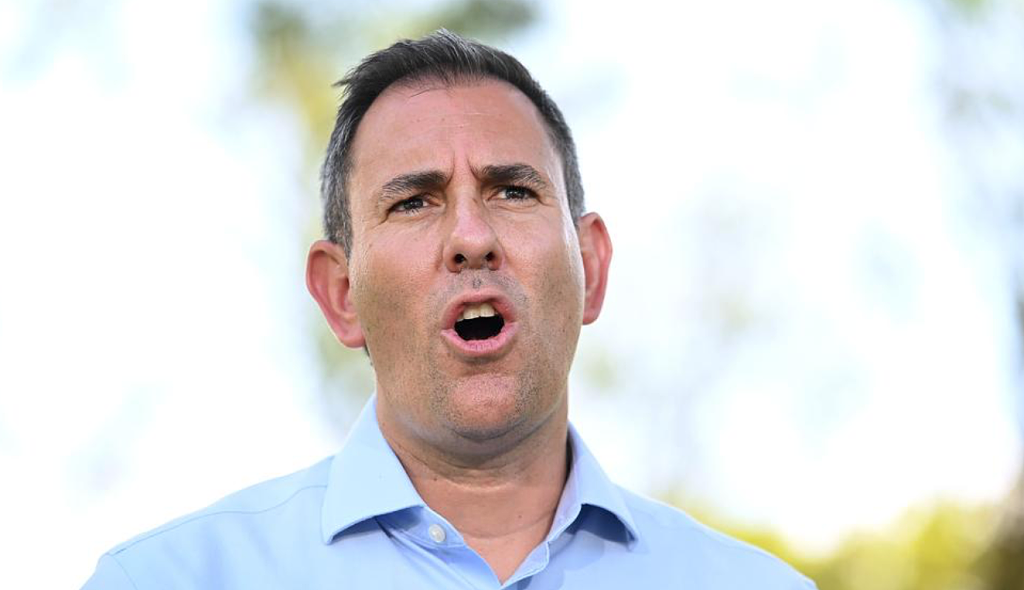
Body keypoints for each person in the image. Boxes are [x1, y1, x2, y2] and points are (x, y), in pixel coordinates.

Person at [82, 30, 815, 589]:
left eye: (513, 191)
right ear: (341, 294)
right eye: (413, 201)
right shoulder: (171, 579)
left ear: (591, 269)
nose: (471, 238)